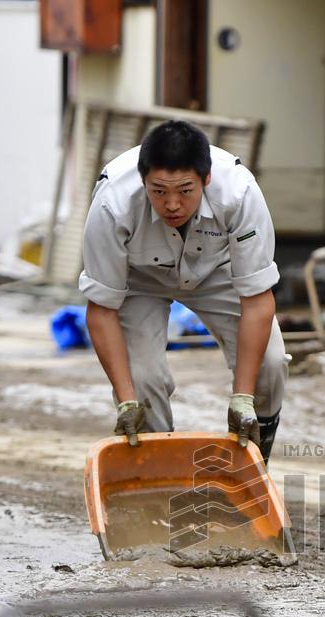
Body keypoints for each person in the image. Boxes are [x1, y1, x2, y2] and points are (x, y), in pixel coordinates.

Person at [79, 120, 289, 461]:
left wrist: (243, 397)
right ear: (142, 179)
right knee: (143, 380)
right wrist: (126, 399)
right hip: (138, 277)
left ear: (206, 179)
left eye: (185, 190)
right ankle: (157, 470)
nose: (172, 204)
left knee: (270, 363)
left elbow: (257, 300)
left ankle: (254, 460)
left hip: (217, 268)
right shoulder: (112, 203)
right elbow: (101, 310)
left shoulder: (239, 193)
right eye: (158, 191)